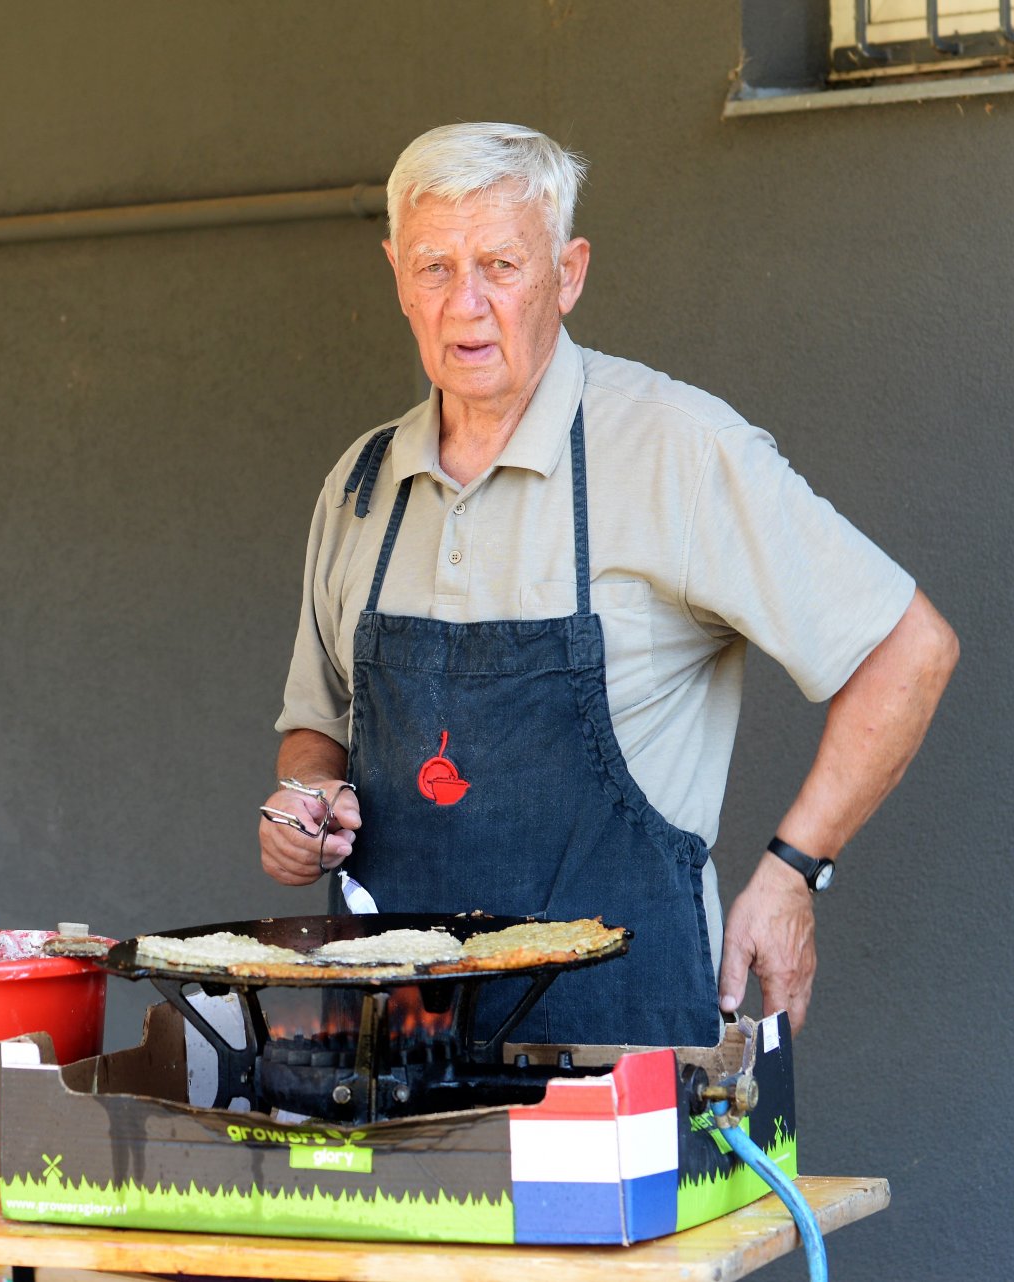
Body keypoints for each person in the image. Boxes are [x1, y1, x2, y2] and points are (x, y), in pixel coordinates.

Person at [258, 123, 957, 1048]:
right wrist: (303, 807)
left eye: (501, 265)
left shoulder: (678, 451)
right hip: (398, 1056)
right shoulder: (362, 485)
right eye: (435, 268)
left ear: (569, 272)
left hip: (623, 1051)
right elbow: (320, 728)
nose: (465, 303)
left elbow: (910, 649)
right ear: (397, 276)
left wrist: (793, 872)